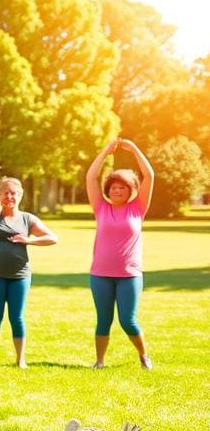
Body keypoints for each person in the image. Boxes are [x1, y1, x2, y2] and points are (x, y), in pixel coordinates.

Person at [0, 159, 58, 368]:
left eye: (13, 193)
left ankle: (20, 359)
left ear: (20, 196)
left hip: (20, 276)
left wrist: (29, 240)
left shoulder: (27, 219)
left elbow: (53, 237)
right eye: (5, 192)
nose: (9, 196)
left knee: (17, 318)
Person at [85, 138, 155, 369]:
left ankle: (144, 356)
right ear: (108, 190)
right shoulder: (100, 207)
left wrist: (134, 148)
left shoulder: (138, 208)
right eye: (114, 187)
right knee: (103, 320)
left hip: (130, 275)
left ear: (130, 190)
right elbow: (90, 176)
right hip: (100, 274)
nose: (117, 190)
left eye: (122, 187)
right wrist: (105, 151)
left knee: (128, 320)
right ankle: (100, 361)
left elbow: (150, 175)